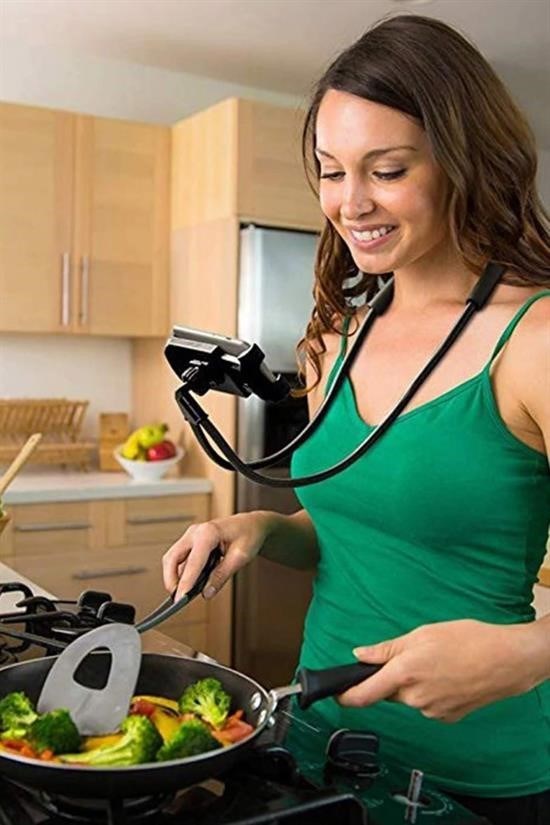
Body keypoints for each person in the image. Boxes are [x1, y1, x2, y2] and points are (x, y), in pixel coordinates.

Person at [163, 14, 550, 825]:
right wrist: (263, 530)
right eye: (332, 171)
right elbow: (365, 529)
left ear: (467, 162)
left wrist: (527, 651)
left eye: (388, 169)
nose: (351, 202)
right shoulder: (333, 340)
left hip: (478, 777)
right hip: (317, 739)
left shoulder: (535, 340)